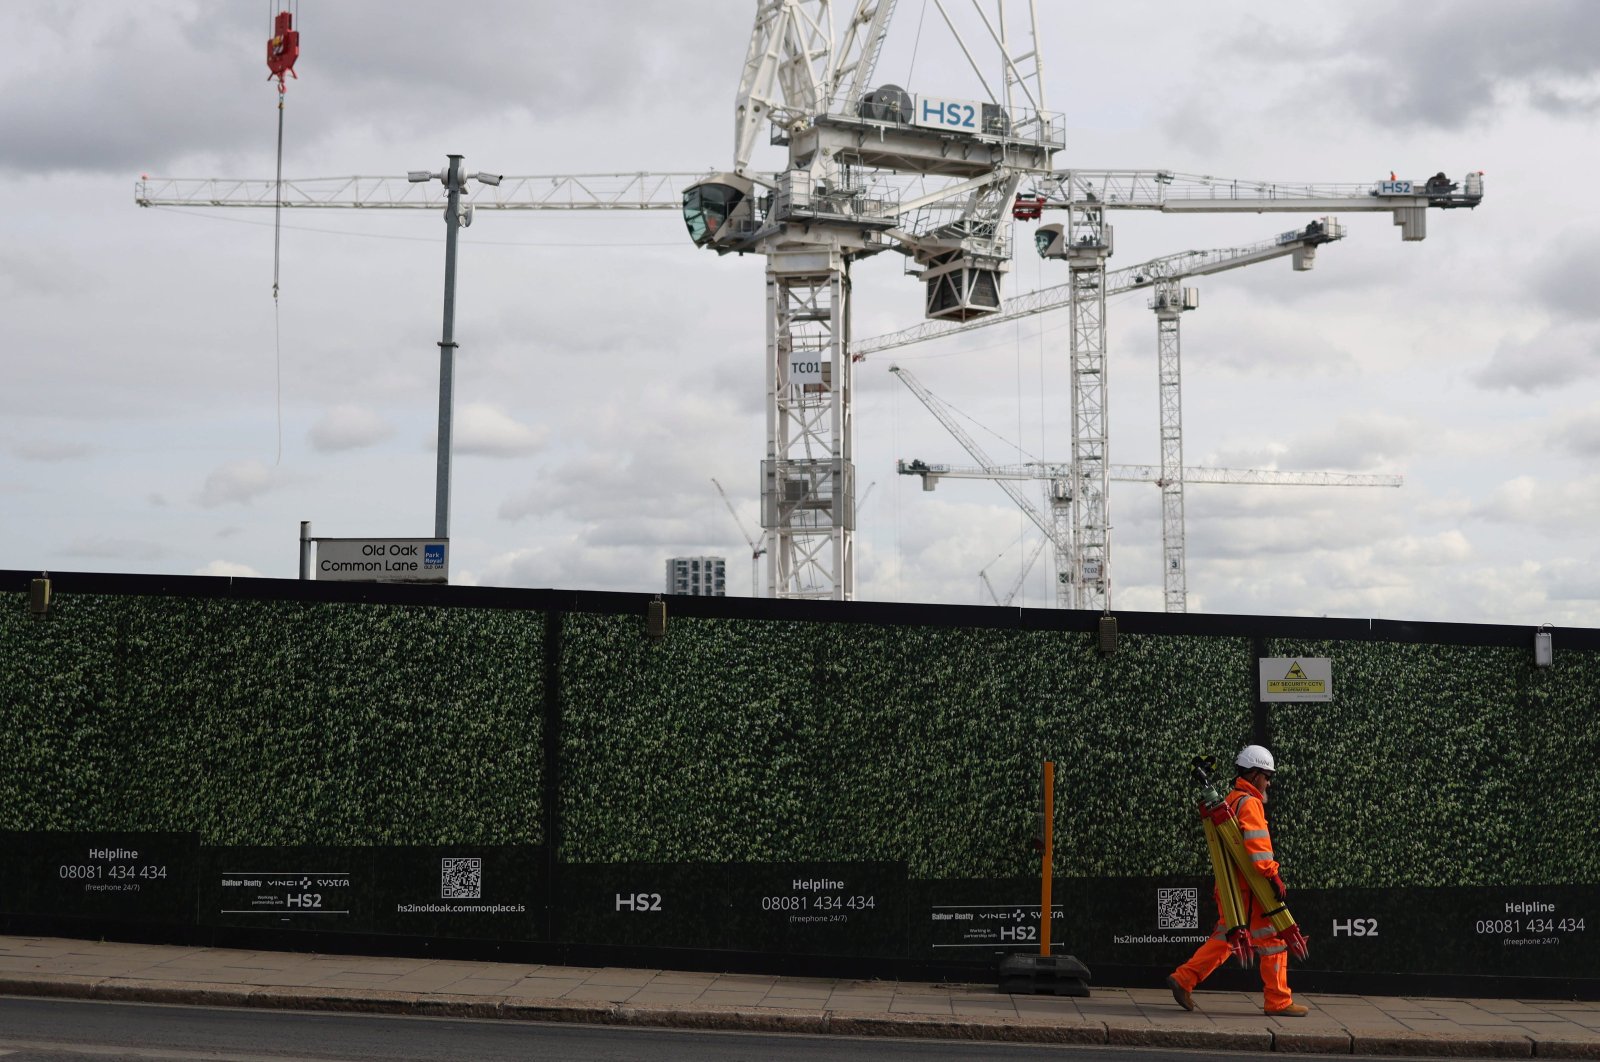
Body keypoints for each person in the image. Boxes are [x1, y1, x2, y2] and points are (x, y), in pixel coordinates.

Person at [1166, 745, 1309, 1017]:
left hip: (1232, 887)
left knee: (1228, 937)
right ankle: (1278, 1001)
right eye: (1267, 776)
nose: (1269, 782)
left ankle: (1184, 978)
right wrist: (1273, 875)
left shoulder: (1231, 799)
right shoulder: (1250, 803)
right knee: (1275, 938)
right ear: (1255, 775)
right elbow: (1258, 848)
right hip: (1252, 889)